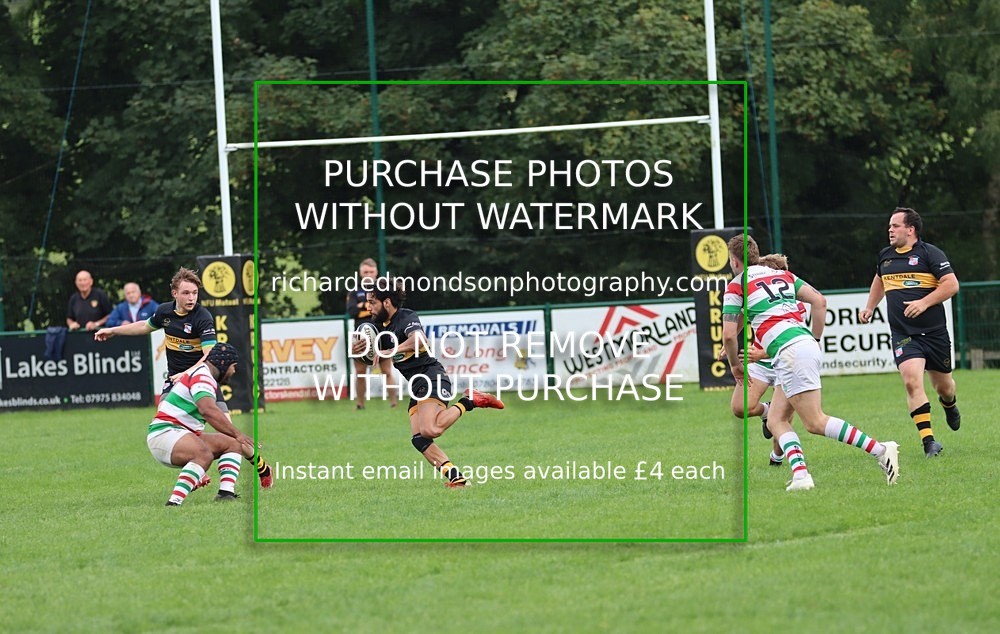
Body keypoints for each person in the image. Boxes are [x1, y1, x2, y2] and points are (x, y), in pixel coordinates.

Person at [723, 234, 900, 490]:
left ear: (734, 261)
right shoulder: (783, 275)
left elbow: (729, 334)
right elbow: (820, 301)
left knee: (815, 422)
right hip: (800, 346)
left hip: (790, 352)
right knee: (776, 420)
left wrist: (735, 366)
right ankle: (801, 476)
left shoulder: (736, 285)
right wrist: (815, 338)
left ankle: (881, 449)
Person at [95, 267, 273, 488]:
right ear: (174, 294)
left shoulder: (202, 317)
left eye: (195, 293)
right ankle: (198, 470)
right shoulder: (164, 313)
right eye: (186, 293)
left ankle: (261, 466)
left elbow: (209, 354)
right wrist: (112, 331)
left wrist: (188, 373)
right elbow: (144, 326)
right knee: (170, 432)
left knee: (229, 434)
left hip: (204, 383)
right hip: (177, 384)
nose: (191, 298)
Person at [350, 278, 504, 488]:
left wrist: (390, 351)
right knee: (419, 439)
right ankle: (457, 478)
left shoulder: (406, 317)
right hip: (418, 385)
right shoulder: (378, 327)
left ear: (387, 302)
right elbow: (370, 352)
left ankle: (470, 401)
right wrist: (362, 350)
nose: (368, 307)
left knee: (430, 430)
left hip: (432, 376)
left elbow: (420, 340)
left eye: (373, 302)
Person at [860, 207, 961, 458]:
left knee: (944, 387)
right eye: (890, 226)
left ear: (911, 229)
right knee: (911, 381)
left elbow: (952, 285)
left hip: (934, 333)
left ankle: (949, 405)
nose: (890, 230)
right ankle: (929, 442)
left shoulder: (930, 253)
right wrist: (870, 306)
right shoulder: (885, 256)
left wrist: (924, 302)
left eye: (895, 226)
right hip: (904, 333)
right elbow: (879, 279)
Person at [146, 343, 254, 505]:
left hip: (178, 434)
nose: (234, 371)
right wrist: (238, 433)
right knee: (203, 455)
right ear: (223, 364)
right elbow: (208, 410)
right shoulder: (202, 377)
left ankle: (225, 493)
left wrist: (236, 437)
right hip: (165, 434)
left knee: (233, 444)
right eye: (233, 366)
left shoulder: (204, 375)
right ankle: (173, 503)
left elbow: (211, 411)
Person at [720, 253, 799, 466]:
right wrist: (728, 344)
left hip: (785, 361)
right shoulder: (760, 296)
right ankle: (767, 410)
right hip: (761, 363)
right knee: (739, 408)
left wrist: (763, 352)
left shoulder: (794, 303)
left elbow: (797, 338)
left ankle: (778, 456)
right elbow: (744, 315)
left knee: (782, 420)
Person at [346, 258, 398, 410]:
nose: (368, 274)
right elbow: (351, 311)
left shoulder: (383, 290)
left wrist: (361, 306)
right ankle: (360, 404)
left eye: (371, 271)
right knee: (360, 372)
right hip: (361, 337)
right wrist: (367, 305)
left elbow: (387, 309)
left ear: (376, 272)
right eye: (365, 272)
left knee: (387, 371)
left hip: (381, 335)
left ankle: (394, 403)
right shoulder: (354, 291)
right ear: (361, 273)